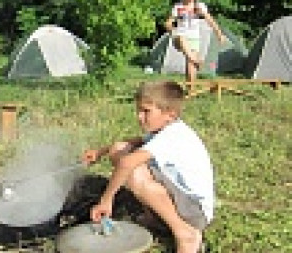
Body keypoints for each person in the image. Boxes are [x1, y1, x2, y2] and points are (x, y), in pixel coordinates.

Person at [82, 81, 214, 253]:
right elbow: (137, 141)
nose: (139, 116)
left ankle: (185, 233)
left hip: (195, 211)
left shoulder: (173, 136)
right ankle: (156, 219)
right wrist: (101, 152)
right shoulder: (164, 129)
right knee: (119, 149)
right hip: (185, 200)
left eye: (146, 111)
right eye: (138, 110)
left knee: (133, 170)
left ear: (170, 115)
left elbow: (126, 164)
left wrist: (106, 200)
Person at [165, 0, 226, 82]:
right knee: (181, 38)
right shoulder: (178, 7)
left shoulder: (200, 6)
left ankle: (191, 89)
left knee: (190, 65)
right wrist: (171, 29)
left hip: (194, 38)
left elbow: (210, 21)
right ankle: (197, 60)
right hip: (179, 37)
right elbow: (168, 22)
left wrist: (219, 34)